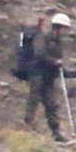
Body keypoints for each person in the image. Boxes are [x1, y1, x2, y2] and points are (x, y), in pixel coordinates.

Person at [23, 12, 71, 142]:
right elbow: (39, 54)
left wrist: (65, 71)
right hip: (37, 73)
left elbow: (57, 61)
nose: (67, 32)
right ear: (59, 27)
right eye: (66, 29)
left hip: (49, 76)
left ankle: (56, 132)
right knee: (34, 98)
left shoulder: (58, 43)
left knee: (51, 104)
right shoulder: (42, 37)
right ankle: (28, 124)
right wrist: (54, 62)